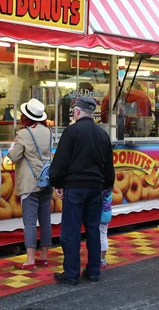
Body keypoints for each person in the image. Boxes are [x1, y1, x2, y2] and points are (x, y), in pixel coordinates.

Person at [50, 96, 115, 285]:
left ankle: (71, 274)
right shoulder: (102, 135)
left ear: (77, 112)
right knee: (93, 229)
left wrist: (57, 183)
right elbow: (109, 168)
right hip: (96, 188)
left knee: (71, 231)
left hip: (75, 187)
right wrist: (105, 186)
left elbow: (60, 162)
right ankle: (93, 270)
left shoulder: (71, 132)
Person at [7, 98, 53, 270]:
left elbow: (15, 156)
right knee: (45, 221)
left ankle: (31, 259)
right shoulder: (48, 132)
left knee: (30, 222)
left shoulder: (24, 134)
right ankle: (44, 256)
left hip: (30, 182)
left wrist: (11, 149)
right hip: (47, 180)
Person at [100, 189, 112, 270]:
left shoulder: (103, 190)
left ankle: (101, 260)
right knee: (103, 236)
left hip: (101, 214)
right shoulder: (109, 188)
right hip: (107, 213)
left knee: (101, 237)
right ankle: (102, 259)